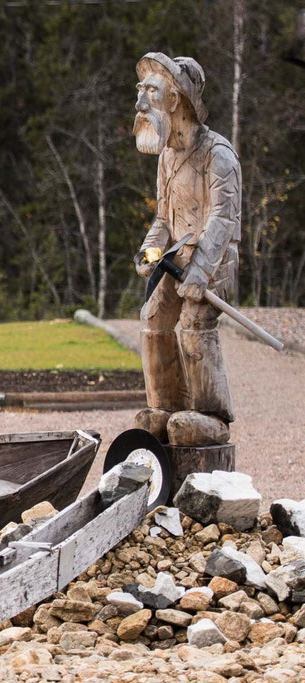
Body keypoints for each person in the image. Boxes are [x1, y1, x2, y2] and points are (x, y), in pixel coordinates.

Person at [132, 52, 241, 447]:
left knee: (194, 326)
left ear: (176, 101)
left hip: (214, 262)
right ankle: (167, 408)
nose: (141, 102)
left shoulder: (218, 155)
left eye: (151, 91)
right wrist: (149, 252)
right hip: (176, 259)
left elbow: (222, 222)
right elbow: (164, 219)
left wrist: (200, 274)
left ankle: (211, 414)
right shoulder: (166, 156)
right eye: (139, 90)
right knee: (154, 318)